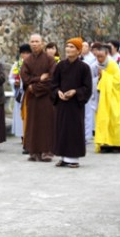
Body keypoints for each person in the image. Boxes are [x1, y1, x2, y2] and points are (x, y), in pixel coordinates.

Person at [51, 37, 92, 168]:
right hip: (62, 104)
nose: (68, 49)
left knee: (73, 130)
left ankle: (73, 159)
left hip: (75, 105)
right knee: (61, 129)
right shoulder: (60, 66)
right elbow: (53, 84)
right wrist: (58, 92)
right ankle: (63, 157)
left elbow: (87, 88)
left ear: (79, 50)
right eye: (67, 46)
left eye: (72, 47)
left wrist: (75, 91)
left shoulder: (84, 68)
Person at [21, 34, 57, 162]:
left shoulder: (50, 60)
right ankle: (34, 151)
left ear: (42, 43)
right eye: (32, 41)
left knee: (46, 123)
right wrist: (38, 79)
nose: (35, 44)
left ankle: (46, 151)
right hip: (32, 98)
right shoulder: (27, 61)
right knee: (33, 124)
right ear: (29, 43)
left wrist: (34, 87)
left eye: (37, 41)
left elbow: (52, 79)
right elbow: (25, 79)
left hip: (45, 97)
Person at [91, 42, 120, 153]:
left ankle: (116, 144)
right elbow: (91, 80)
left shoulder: (112, 65)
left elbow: (118, 80)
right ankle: (104, 143)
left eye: (101, 56)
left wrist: (104, 76)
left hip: (113, 98)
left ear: (107, 54)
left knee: (115, 120)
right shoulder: (94, 65)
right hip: (101, 98)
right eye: (97, 56)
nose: (99, 59)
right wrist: (100, 78)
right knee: (102, 120)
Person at [9, 44, 31, 152]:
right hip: (20, 95)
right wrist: (15, 82)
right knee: (20, 117)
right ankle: (23, 137)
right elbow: (11, 78)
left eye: (27, 53)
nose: (25, 55)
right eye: (23, 53)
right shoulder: (16, 65)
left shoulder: (33, 64)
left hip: (30, 94)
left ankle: (29, 139)